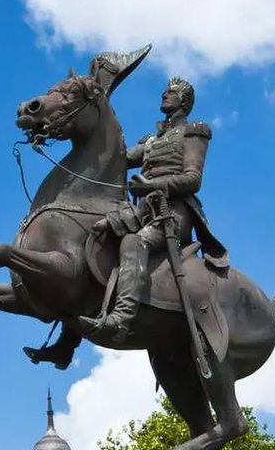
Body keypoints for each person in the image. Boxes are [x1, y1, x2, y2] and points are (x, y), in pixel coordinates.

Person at [81, 76, 229, 342]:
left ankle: (121, 318)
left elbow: (193, 180)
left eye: (171, 92)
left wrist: (151, 185)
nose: (164, 95)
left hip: (172, 212)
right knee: (93, 237)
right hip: (142, 212)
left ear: (184, 101)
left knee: (133, 243)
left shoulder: (194, 131)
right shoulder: (151, 139)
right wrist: (95, 120)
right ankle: (68, 339)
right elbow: (118, 159)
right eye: (164, 91)